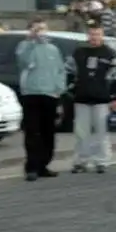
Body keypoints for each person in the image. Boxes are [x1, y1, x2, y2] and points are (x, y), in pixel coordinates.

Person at [66, 20, 116, 173]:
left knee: (102, 133)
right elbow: (68, 72)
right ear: (88, 35)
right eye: (92, 34)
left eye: (98, 34)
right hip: (82, 99)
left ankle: (102, 161)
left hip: (103, 100)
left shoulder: (110, 54)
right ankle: (81, 161)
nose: (94, 37)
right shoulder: (78, 53)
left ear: (102, 35)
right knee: (81, 133)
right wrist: (71, 90)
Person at [15, 17, 66, 181]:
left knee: (48, 131)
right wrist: (30, 40)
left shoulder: (53, 49)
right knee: (32, 131)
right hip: (31, 94)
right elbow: (23, 62)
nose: (40, 32)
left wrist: (59, 89)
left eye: (43, 29)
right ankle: (32, 167)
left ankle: (44, 164)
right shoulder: (24, 47)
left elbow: (60, 70)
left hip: (50, 94)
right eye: (37, 29)